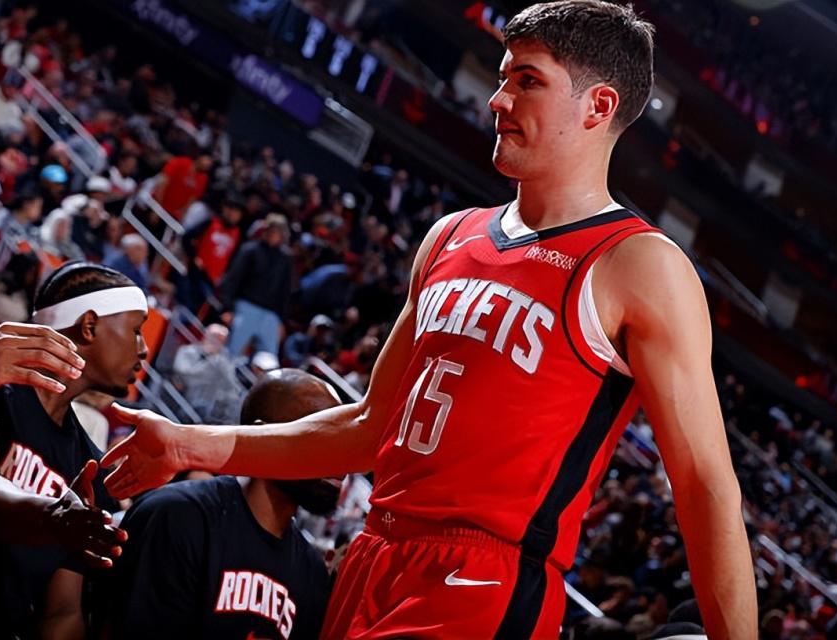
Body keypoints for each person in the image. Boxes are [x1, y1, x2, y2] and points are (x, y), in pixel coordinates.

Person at [102, 2, 756, 638]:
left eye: (527, 81)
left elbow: (704, 483)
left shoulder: (638, 263)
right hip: (372, 557)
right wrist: (191, 445)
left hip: (484, 580)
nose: (498, 100)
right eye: (502, 78)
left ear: (598, 106)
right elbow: (369, 426)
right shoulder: (450, 236)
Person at [106, 369, 340, 639]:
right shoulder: (177, 516)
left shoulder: (312, 573)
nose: (341, 455)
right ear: (264, 436)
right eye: (322, 434)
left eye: (343, 441)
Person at [0, 261, 146, 637]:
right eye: (136, 330)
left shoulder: (91, 463)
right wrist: (48, 516)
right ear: (89, 325)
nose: (144, 350)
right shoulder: (1, 389)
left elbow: (62, 611)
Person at [219, 213, 292, 357]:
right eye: (271, 230)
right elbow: (232, 280)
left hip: (270, 315)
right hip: (246, 307)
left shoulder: (285, 258)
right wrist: (227, 308)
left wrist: (281, 321)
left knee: (269, 359)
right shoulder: (250, 250)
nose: (273, 235)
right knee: (232, 352)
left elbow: (284, 291)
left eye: (277, 232)